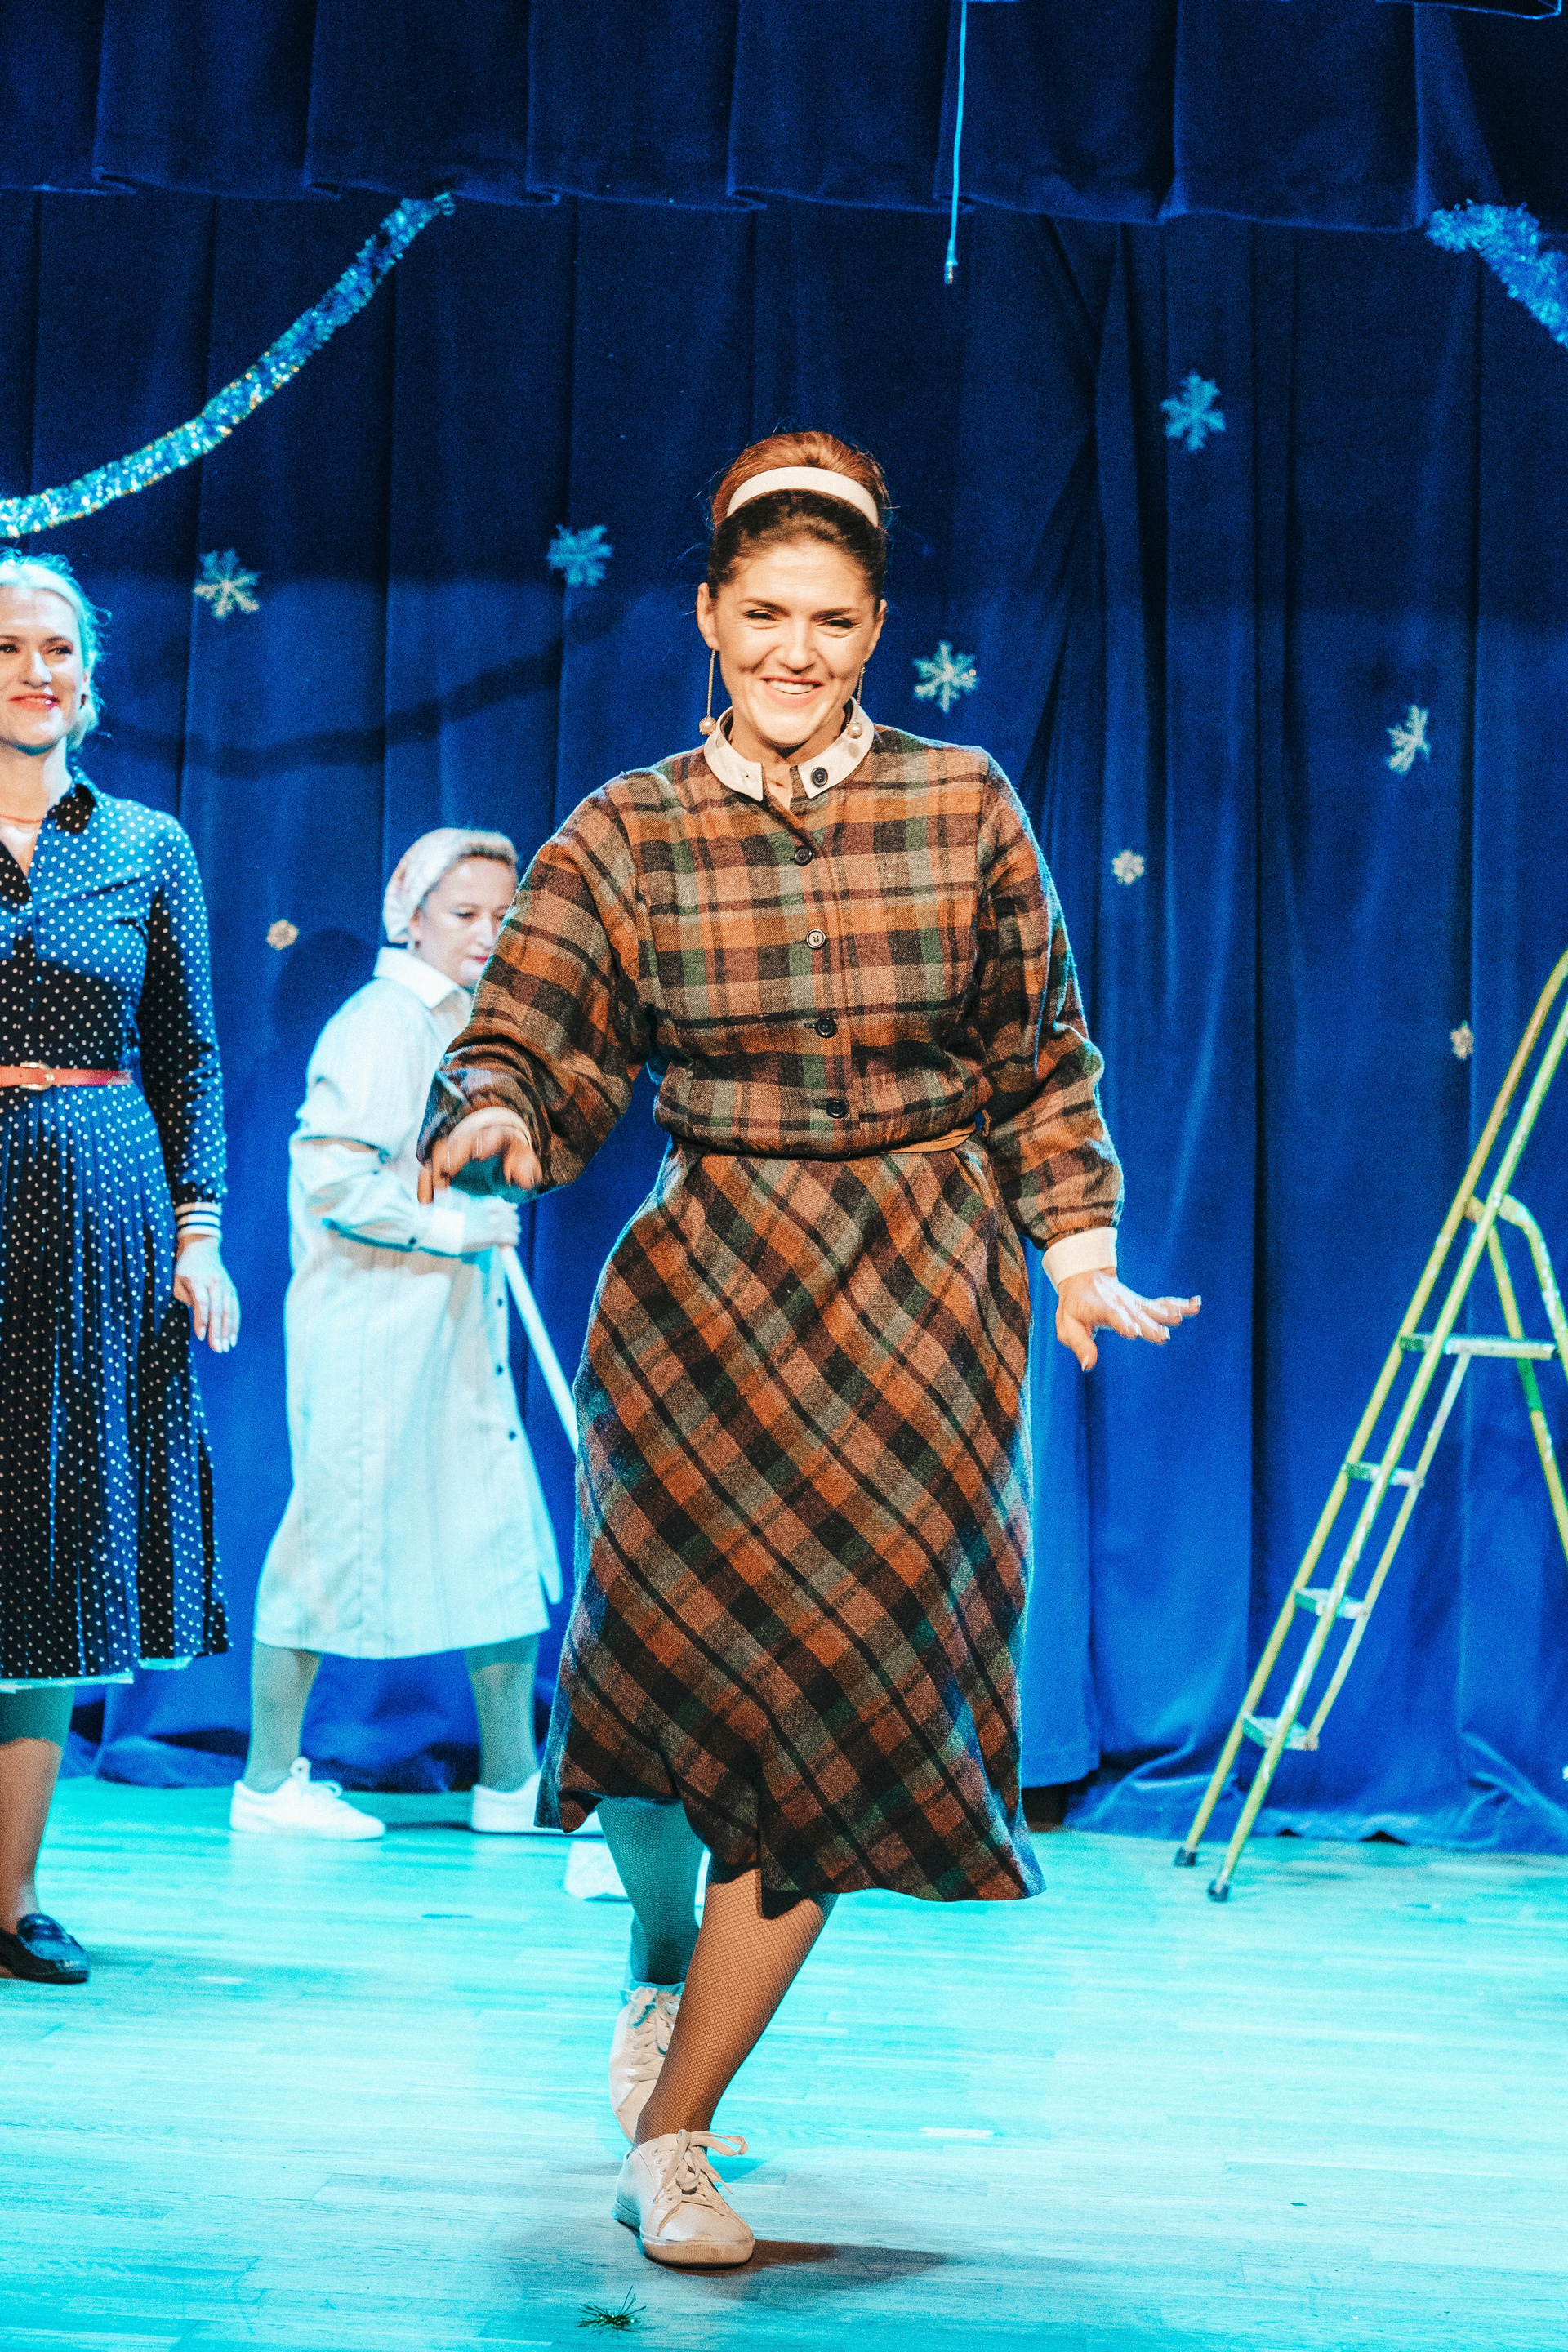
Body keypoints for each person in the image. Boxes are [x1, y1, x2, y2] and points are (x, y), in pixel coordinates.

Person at [418, 432, 1199, 2265]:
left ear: (874, 631)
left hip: (922, 1309)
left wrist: (1079, 1253)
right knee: (658, 1704)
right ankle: (657, 1960)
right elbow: (532, 1029)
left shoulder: (964, 804)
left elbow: (1041, 1059)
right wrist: (500, 1113)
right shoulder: (628, 829)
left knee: (839, 1717)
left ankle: (672, 2136)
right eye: (763, 614)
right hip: (705, 1302)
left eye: (831, 621)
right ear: (707, 616)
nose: (794, 650)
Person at [0, 553, 236, 1989]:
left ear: (89, 673)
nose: (35, 672)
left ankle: (11, 1892)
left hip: (95, 1207)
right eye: (6, 648)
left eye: (57, 648)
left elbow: (190, 1054)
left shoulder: (147, 844)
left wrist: (200, 1235)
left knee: (41, 1545)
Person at [232, 831, 562, 1842]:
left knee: (495, 1535)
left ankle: (511, 1784)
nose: (486, 933)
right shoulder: (381, 1023)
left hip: (451, 1328)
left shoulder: (462, 1024)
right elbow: (333, 1177)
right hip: (373, 1333)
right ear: (409, 916)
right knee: (328, 1545)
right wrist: (454, 1227)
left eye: (502, 915)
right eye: (464, 914)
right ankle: (266, 1785)